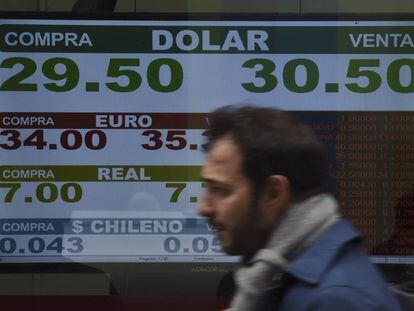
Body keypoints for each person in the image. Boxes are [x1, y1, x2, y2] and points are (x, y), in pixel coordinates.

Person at [197, 105, 402, 311]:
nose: (203, 208)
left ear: (274, 193)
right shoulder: (281, 274)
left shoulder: (336, 300)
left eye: (221, 190)